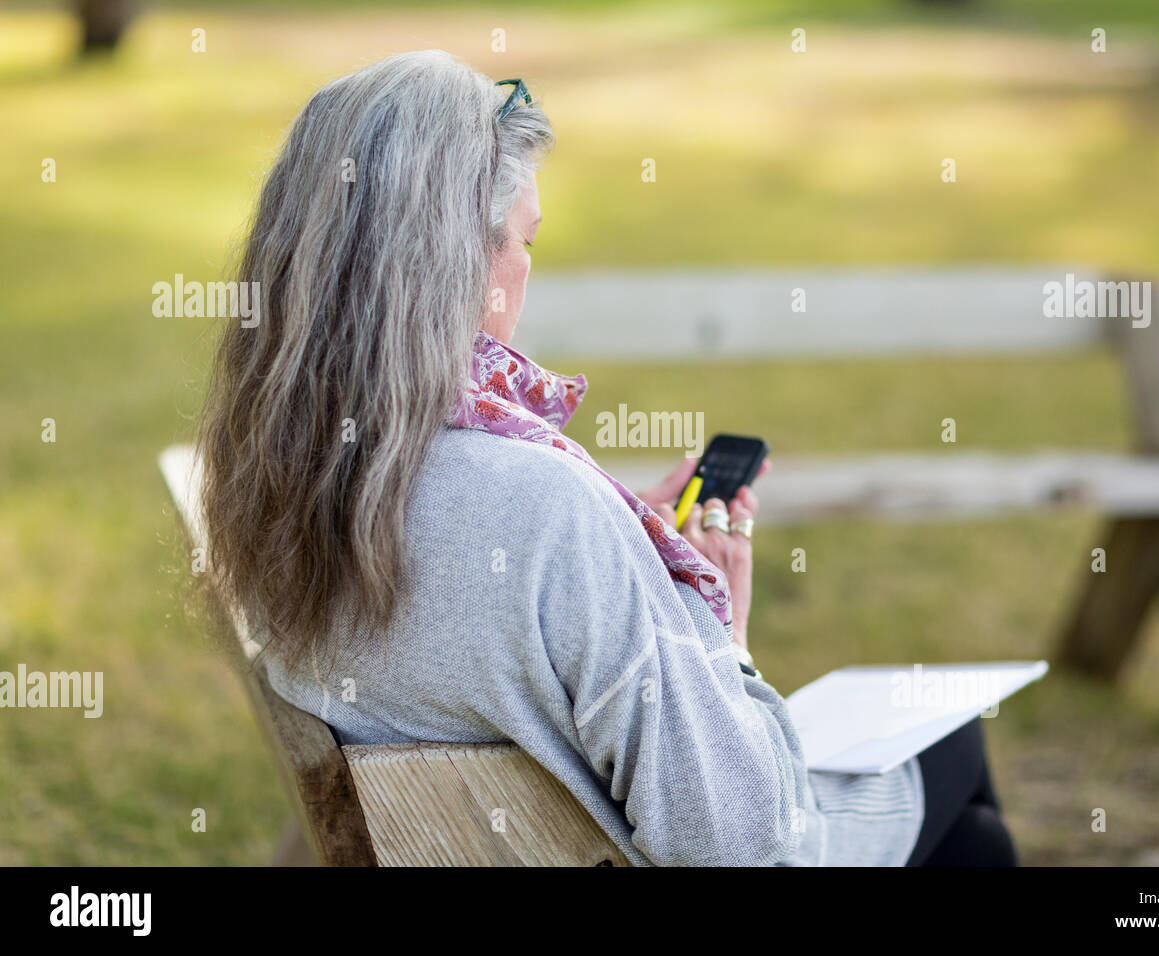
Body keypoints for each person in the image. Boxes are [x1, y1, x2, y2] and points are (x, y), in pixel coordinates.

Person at [196, 50, 1016, 867]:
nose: (526, 271)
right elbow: (742, 841)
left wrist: (623, 553)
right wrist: (719, 634)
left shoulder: (274, 470)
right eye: (524, 239)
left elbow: (478, 579)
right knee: (957, 759)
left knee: (972, 843)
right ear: (453, 263)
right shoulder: (546, 510)